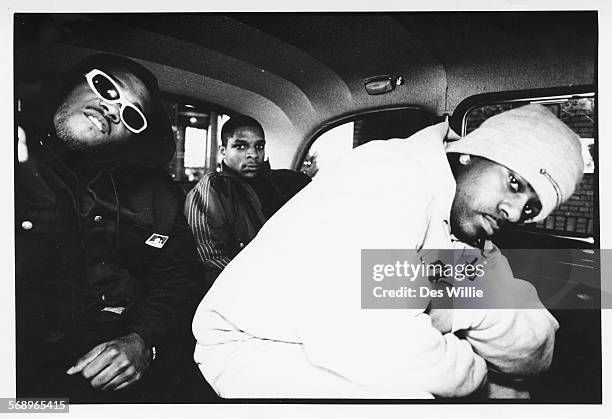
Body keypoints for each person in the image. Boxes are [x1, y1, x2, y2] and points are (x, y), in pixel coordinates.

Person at [191, 104, 584, 399]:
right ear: (472, 152)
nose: (514, 211)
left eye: (531, 208)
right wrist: (481, 381)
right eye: (514, 183)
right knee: (415, 398)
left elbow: (537, 346)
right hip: (250, 345)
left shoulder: (467, 229)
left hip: (327, 340)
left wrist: (464, 302)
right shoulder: (389, 175)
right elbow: (371, 338)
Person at [15, 54, 214, 403]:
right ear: (72, 83)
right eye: (106, 88)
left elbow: (180, 277)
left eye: (130, 116)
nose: (112, 110)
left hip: (134, 358)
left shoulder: (158, 196)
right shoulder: (17, 158)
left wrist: (142, 341)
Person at [184, 116, 311, 278]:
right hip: (244, 286)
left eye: (259, 146)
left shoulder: (284, 183)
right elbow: (208, 257)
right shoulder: (212, 188)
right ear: (223, 151)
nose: (253, 154)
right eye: (241, 146)